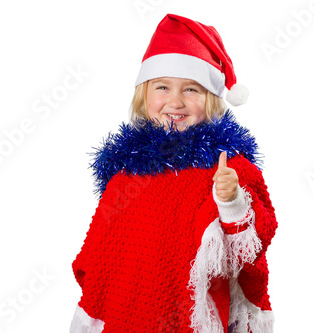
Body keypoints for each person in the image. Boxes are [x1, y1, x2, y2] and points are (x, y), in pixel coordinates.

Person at [69, 13, 278, 333]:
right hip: (128, 315)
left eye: (191, 89)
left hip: (191, 319)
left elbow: (251, 247)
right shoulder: (127, 174)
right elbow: (101, 255)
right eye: (163, 87)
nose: (175, 101)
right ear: (144, 95)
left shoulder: (229, 168)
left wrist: (232, 200)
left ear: (211, 98)